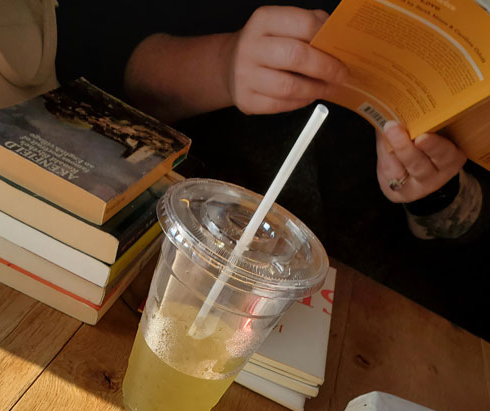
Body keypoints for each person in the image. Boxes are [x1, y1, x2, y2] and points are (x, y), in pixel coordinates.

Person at [55, 2, 489, 339]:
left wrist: (435, 191)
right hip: (176, 254)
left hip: (383, 305)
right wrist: (222, 65)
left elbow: (469, 234)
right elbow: (87, 60)